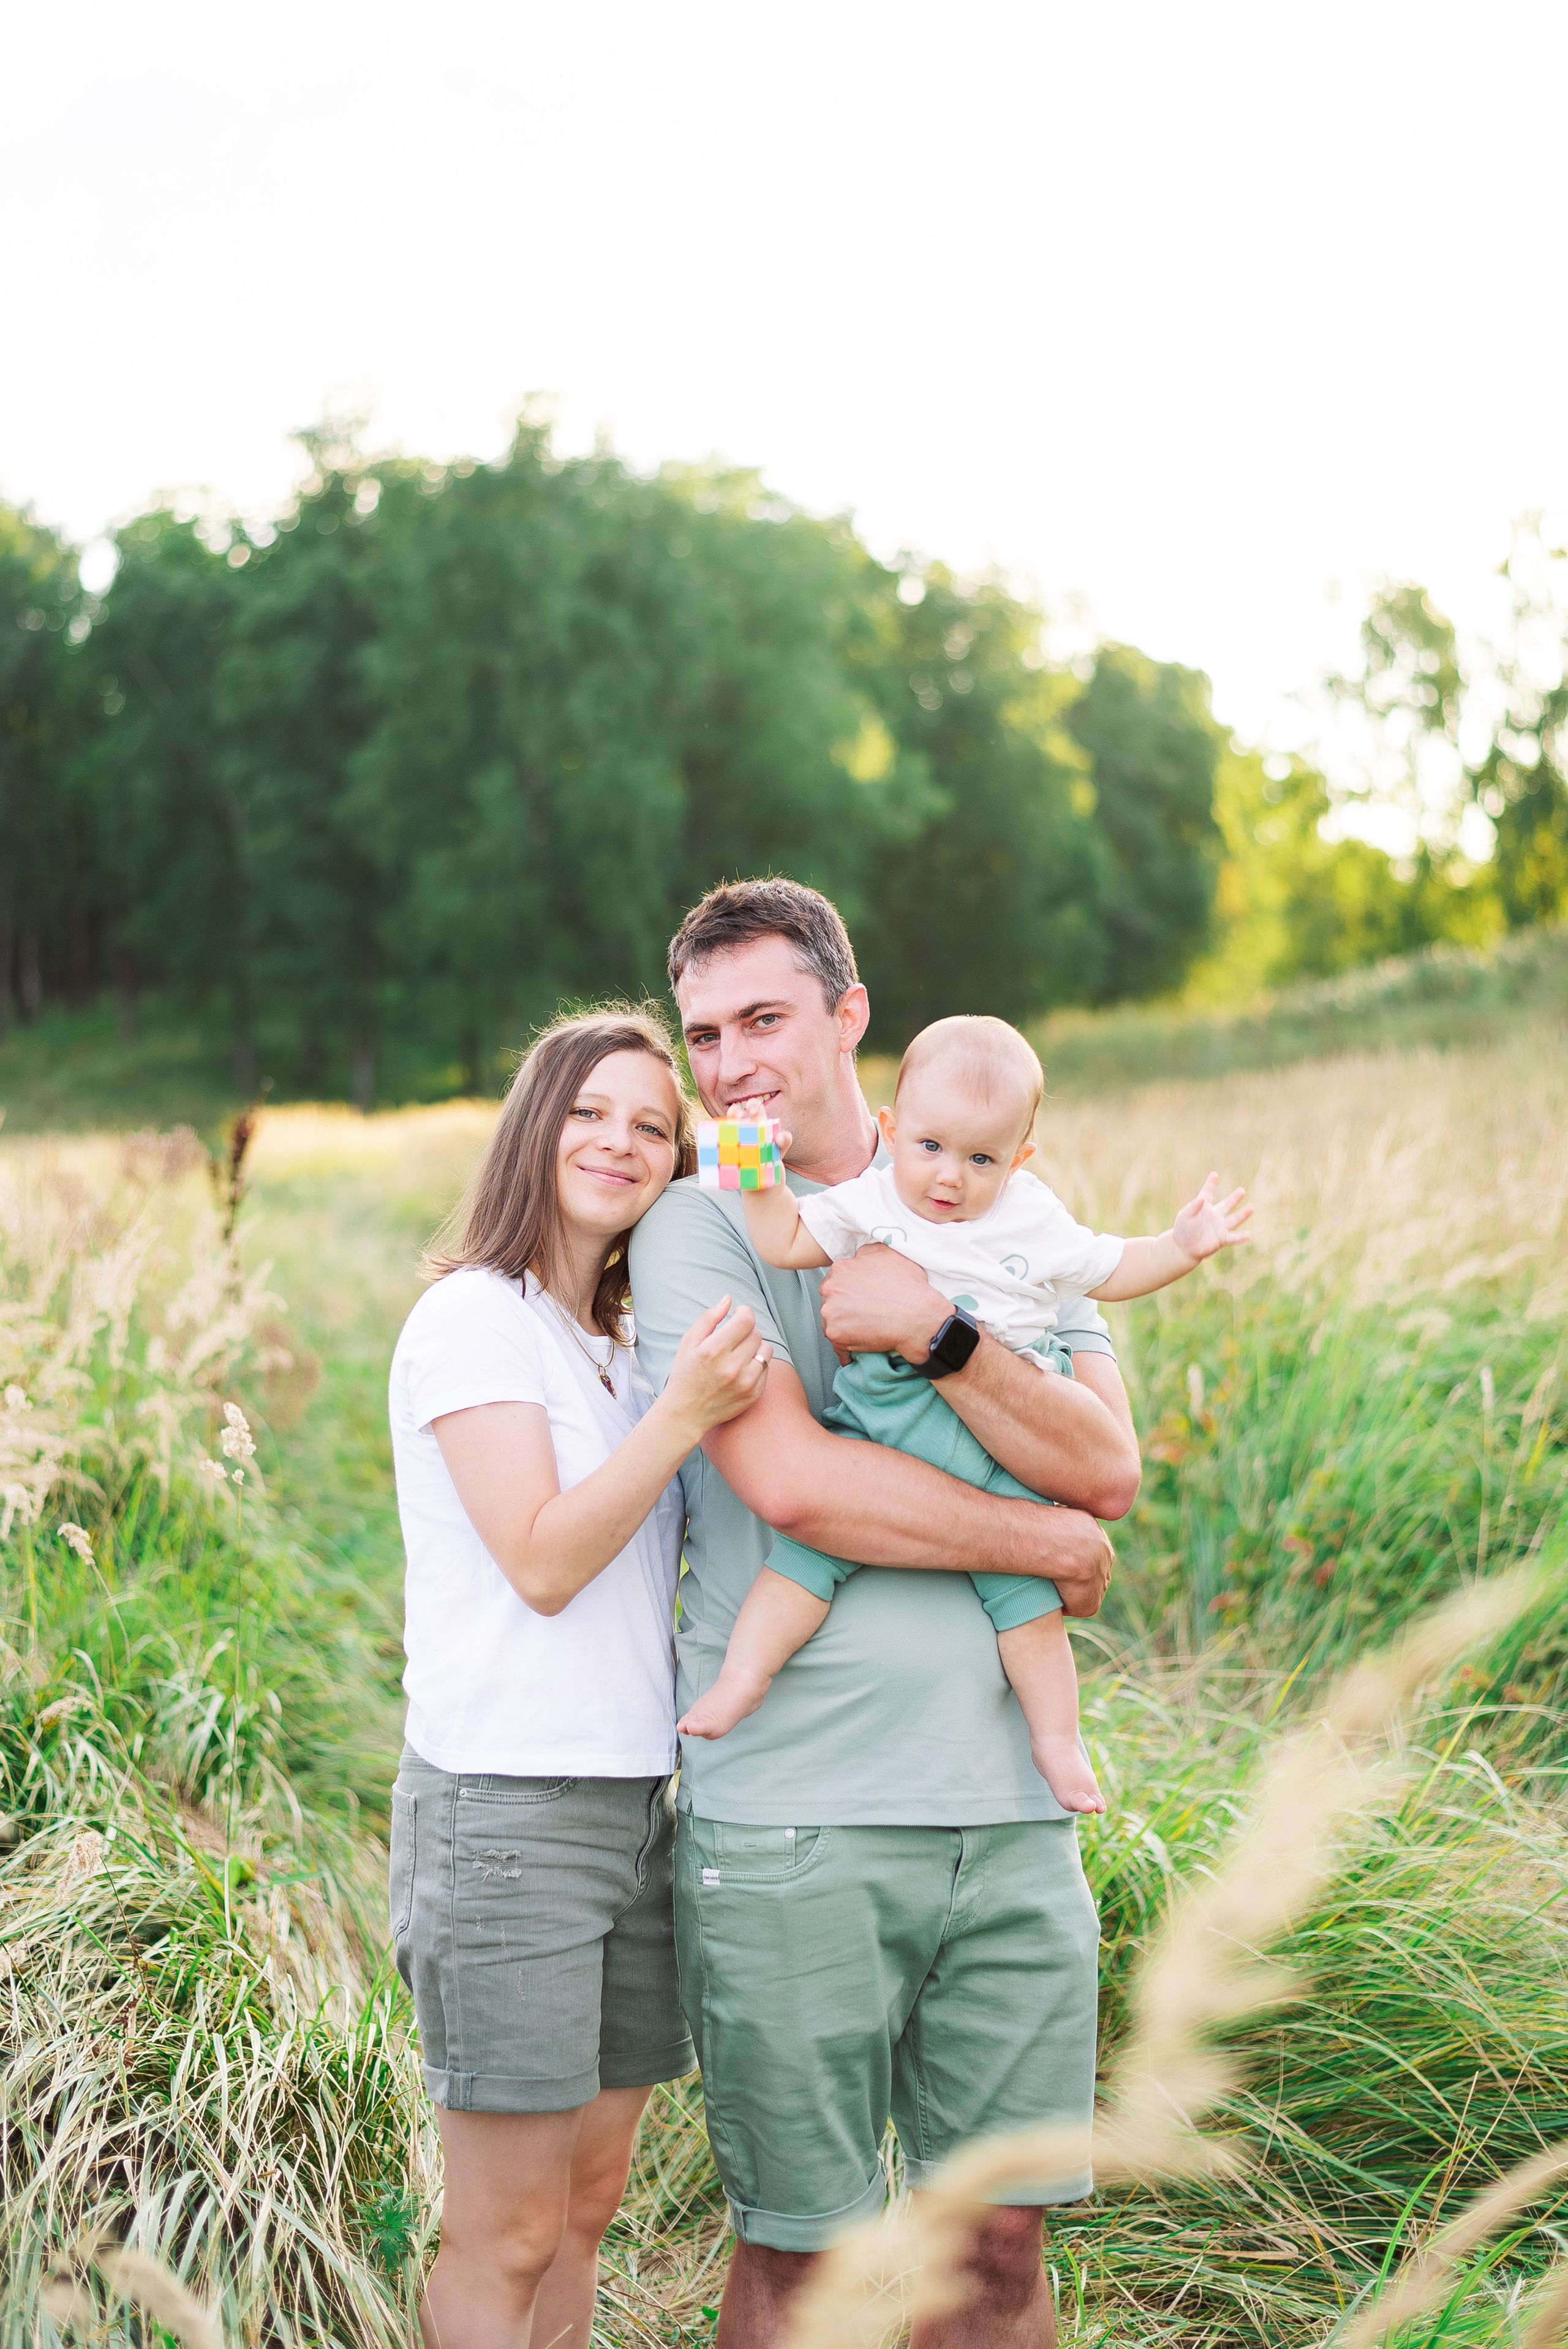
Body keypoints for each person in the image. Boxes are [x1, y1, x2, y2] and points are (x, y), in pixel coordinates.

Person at [628, 880, 1144, 2349]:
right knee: (807, 2276)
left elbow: (1104, 1466)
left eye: (764, 1020)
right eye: (703, 1035)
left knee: (992, 2268)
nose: (729, 1065)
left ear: (850, 1015)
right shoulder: (700, 1229)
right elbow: (800, 1486)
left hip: (1010, 1815)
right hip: (797, 1819)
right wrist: (1033, 1536)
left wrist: (933, 1330)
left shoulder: (1009, 1217)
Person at [386, 1004, 771, 2349]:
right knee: (506, 2229)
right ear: (532, 1126)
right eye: (589, 1110)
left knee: (589, 2200)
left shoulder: (618, 1342)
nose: (619, 1140)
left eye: (652, 1126)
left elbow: (757, 1186)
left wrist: (737, 1136)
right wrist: (683, 1420)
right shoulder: (472, 1321)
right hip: (504, 1816)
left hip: (631, 1810)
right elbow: (544, 1562)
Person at [679, 1012, 1250, 1812]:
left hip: (997, 1441)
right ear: (893, 1129)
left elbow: (1112, 1266)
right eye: (930, 1148)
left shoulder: (1032, 1217)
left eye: (981, 1158)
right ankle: (740, 1681)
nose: (950, 1176)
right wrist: (760, 1172)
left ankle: (1059, 1745)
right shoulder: (871, 1200)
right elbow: (784, 1240)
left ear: (1018, 1160)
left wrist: (1183, 1245)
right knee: (800, 1566)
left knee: (1030, 1613)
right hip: (883, 1425)